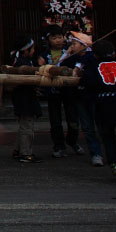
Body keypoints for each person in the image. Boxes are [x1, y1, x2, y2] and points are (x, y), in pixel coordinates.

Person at [61, 31, 105, 166]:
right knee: (87, 127)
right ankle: (95, 153)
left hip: (93, 97)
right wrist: (67, 52)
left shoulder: (92, 57)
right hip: (79, 98)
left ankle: (107, 153)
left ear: (84, 45)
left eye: (74, 44)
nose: (72, 46)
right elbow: (59, 64)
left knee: (101, 126)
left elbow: (80, 70)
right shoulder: (72, 58)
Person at [39, 25, 79, 158]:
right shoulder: (44, 55)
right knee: (55, 120)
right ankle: (59, 146)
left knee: (73, 119)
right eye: (54, 38)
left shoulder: (70, 52)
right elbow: (41, 69)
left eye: (60, 37)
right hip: (52, 90)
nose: (57, 40)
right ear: (48, 39)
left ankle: (72, 141)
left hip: (68, 89)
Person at [82, 40, 116, 176]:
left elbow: (88, 84)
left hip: (104, 104)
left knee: (108, 135)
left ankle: (114, 162)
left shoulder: (93, 66)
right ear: (113, 53)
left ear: (95, 55)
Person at [10, 36, 43, 163]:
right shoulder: (21, 63)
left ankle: (18, 150)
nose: (34, 51)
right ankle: (25, 153)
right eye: (32, 48)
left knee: (24, 125)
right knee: (27, 126)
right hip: (24, 98)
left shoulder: (22, 61)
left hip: (24, 97)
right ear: (26, 50)